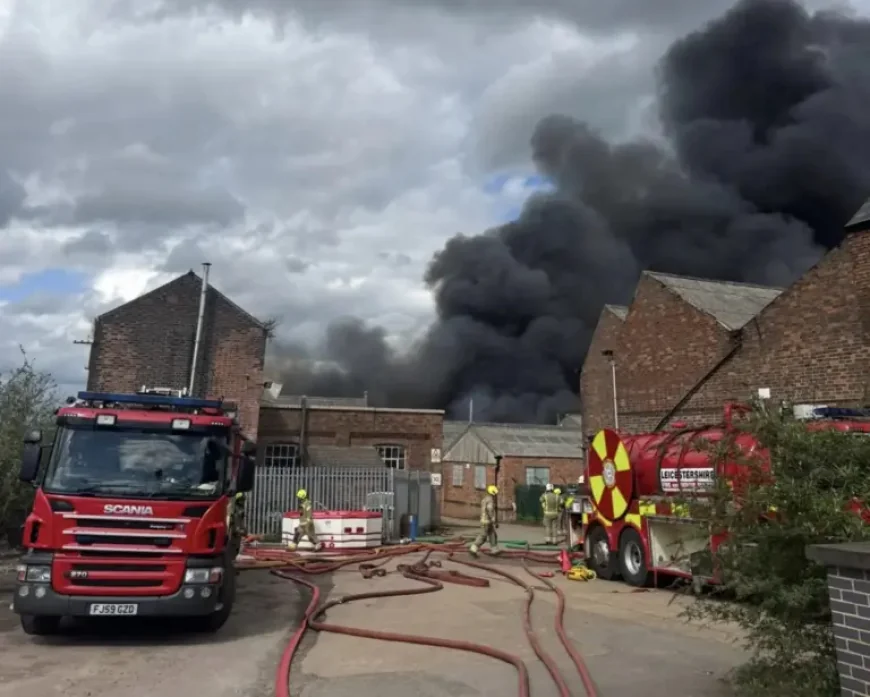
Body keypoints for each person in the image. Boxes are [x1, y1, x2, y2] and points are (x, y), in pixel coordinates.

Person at [469, 484, 500, 557]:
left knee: (493, 535)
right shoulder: (490, 500)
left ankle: (494, 550)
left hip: (486, 521)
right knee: (483, 536)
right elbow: (489, 510)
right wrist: (493, 520)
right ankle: (473, 548)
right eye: (495, 493)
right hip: (487, 521)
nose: (495, 495)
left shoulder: (484, 499)